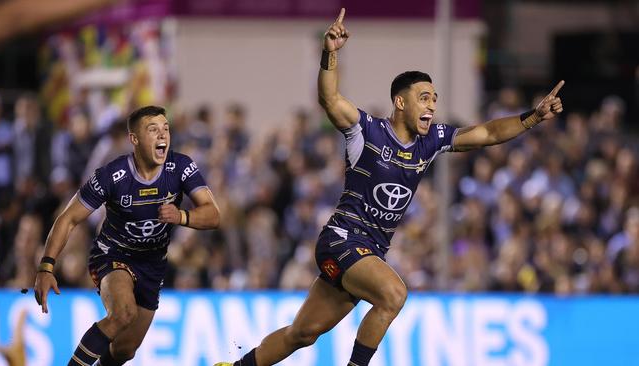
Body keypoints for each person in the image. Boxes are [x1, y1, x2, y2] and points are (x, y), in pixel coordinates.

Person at [216, 8, 564, 366]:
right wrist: (330, 54)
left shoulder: (432, 142)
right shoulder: (365, 131)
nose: (432, 105)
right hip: (342, 240)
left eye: (434, 99)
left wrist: (534, 116)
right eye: (424, 97)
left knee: (302, 334)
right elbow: (330, 100)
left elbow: (488, 133)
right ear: (401, 102)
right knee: (394, 294)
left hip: (369, 252)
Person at [33, 105, 221, 366]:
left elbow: (213, 215)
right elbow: (69, 218)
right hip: (113, 255)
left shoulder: (181, 167)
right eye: (152, 130)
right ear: (134, 139)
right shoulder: (112, 175)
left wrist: (182, 216)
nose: (162, 136)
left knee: (125, 350)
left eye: (165, 129)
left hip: (153, 264)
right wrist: (46, 266)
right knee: (123, 313)